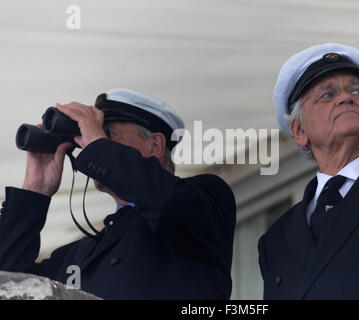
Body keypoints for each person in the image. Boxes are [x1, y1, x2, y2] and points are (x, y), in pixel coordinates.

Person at [0, 88, 236, 299]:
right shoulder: (76, 257)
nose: (87, 145)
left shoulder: (204, 198)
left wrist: (98, 146)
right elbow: (11, 286)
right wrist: (34, 191)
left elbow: (167, 206)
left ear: (155, 145)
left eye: (108, 134)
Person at [258, 43, 359, 299]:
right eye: (327, 95)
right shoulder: (275, 239)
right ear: (299, 131)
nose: (346, 97)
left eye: (357, 91)